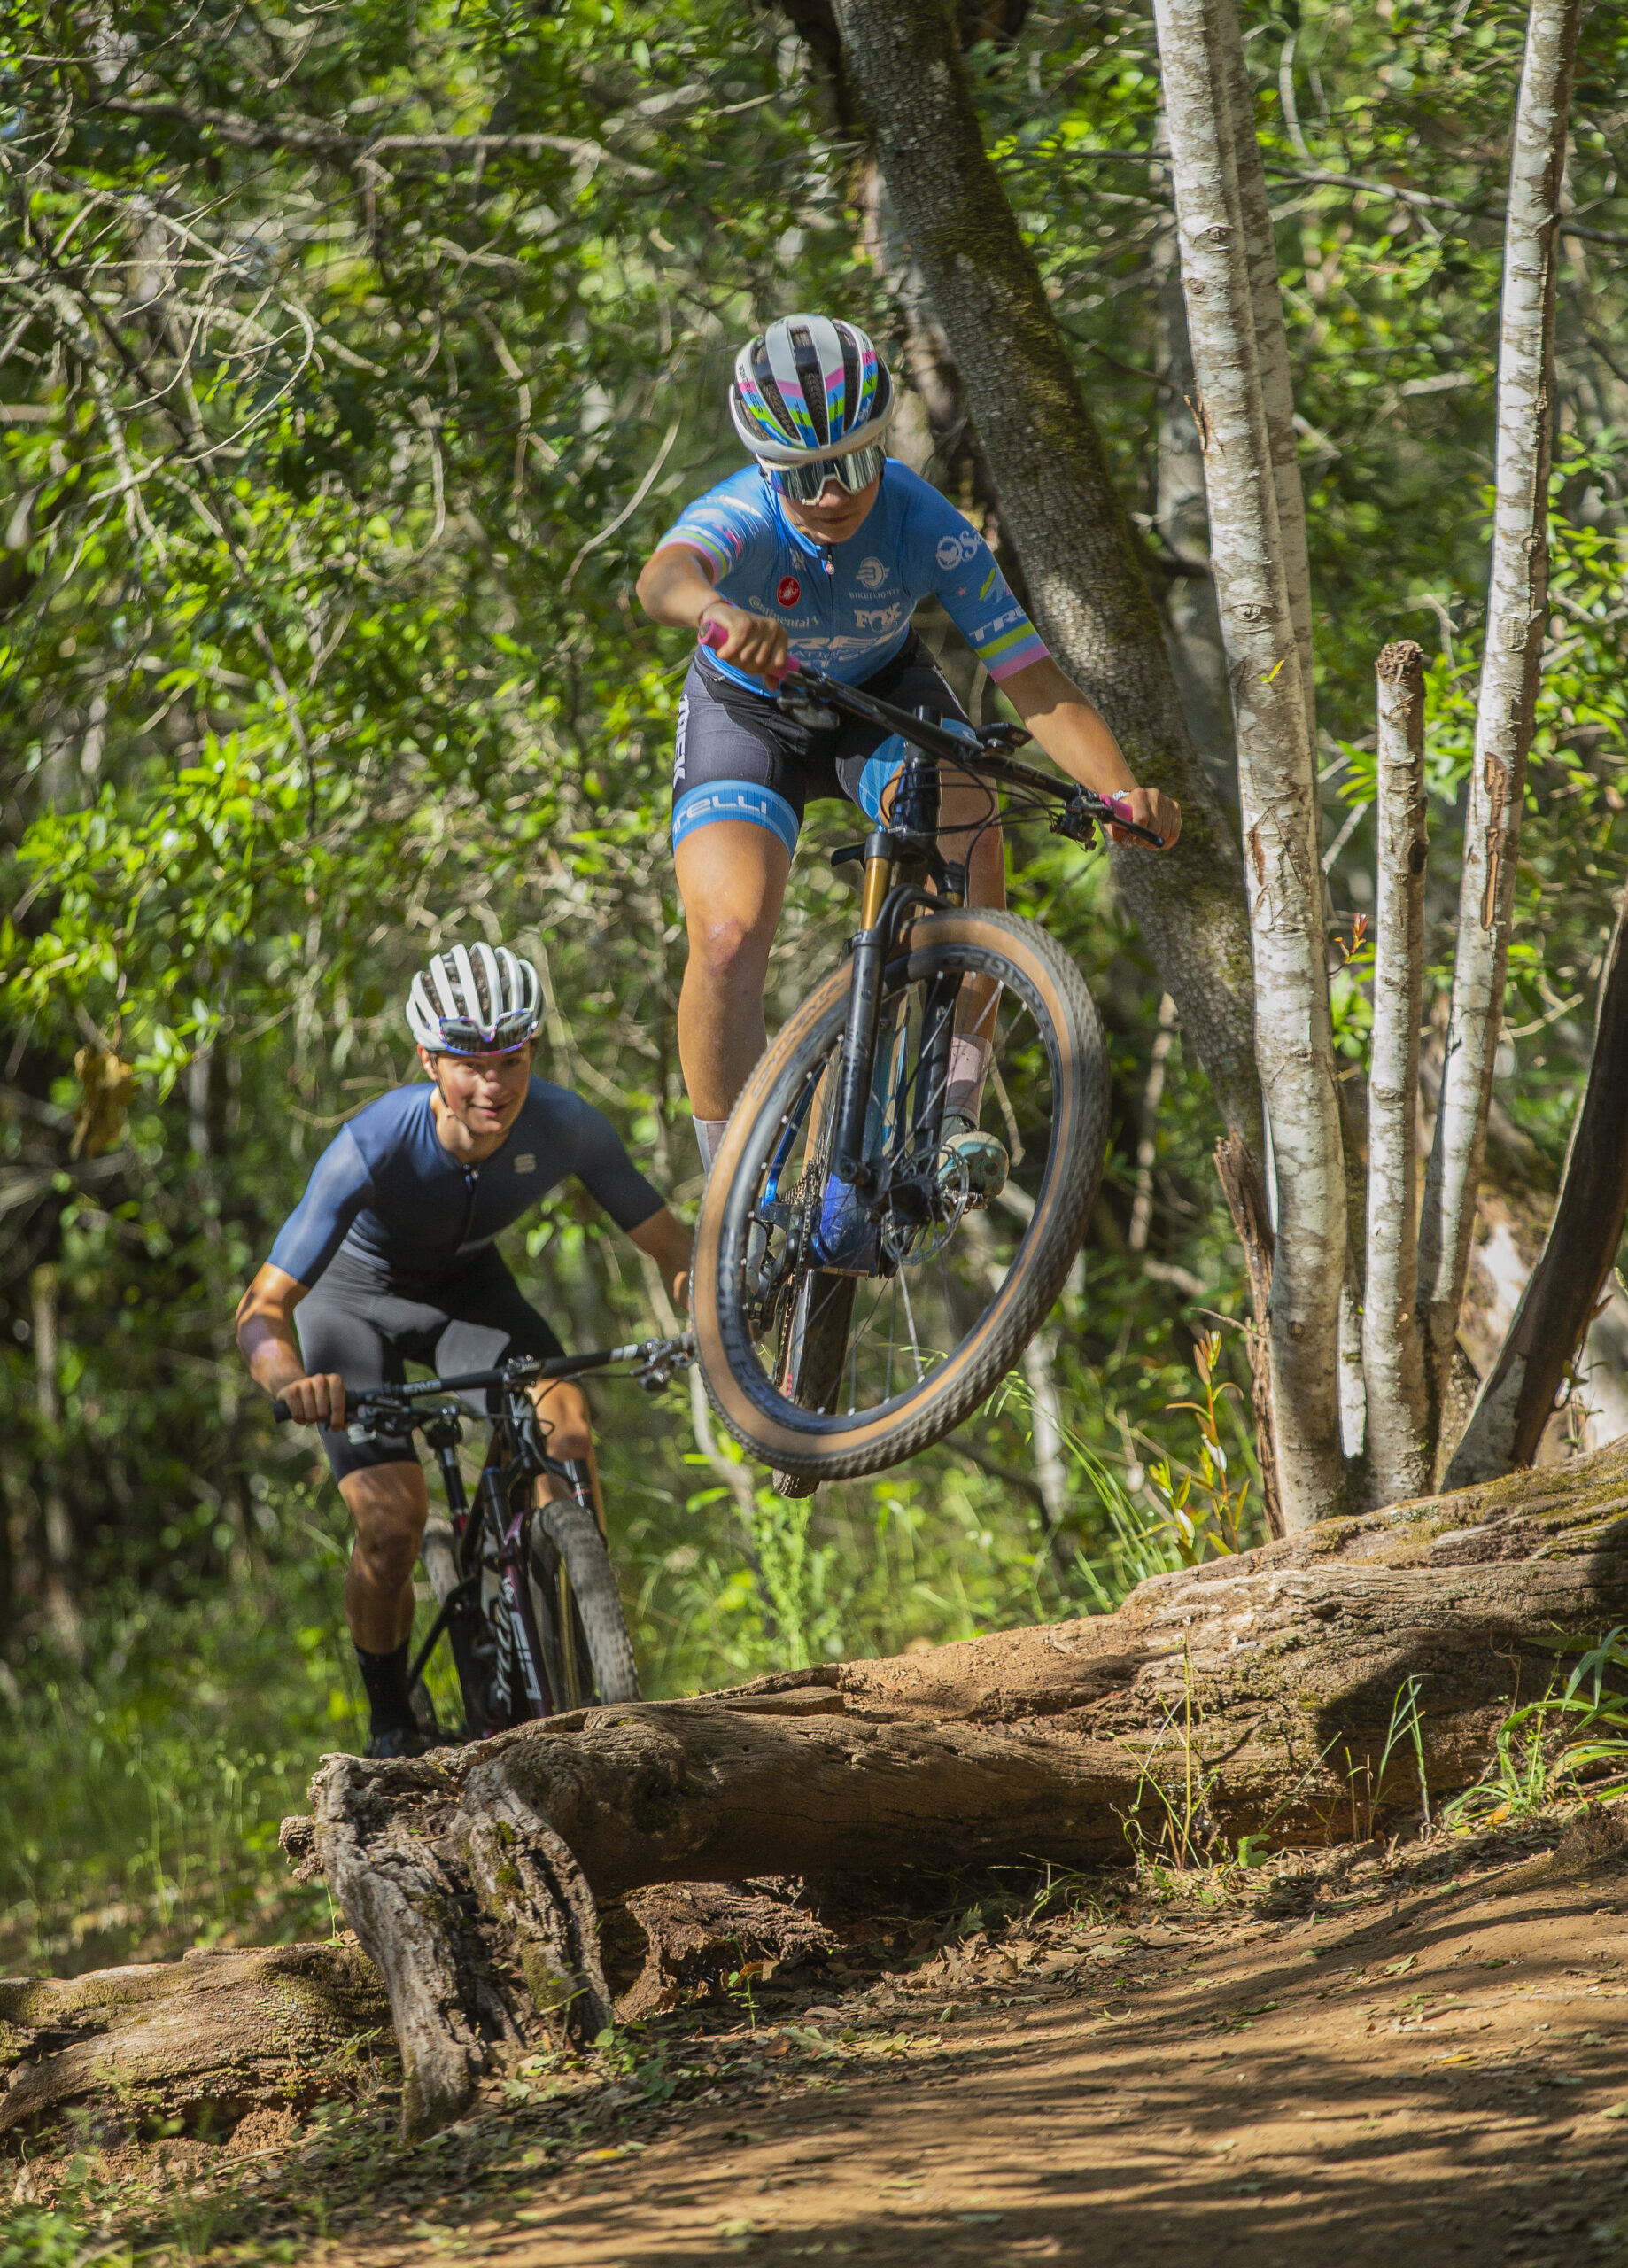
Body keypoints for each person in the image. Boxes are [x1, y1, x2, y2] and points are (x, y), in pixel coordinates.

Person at [635, 313, 1182, 1189]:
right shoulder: (739, 513)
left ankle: (947, 1109)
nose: (831, 495)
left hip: (876, 696)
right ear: (768, 470)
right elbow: (661, 576)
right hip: (746, 711)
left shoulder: (921, 518)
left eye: (854, 463)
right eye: (804, 477)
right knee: (730, 932)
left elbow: (1033, 682)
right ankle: (731, 1194)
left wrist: (1123, 794)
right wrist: (718, 613)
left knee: (972, 815)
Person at [235, 942, 693, 1759]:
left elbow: (673, 1248)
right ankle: (389, 1722)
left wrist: (712, 1313)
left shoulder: (564, 1125)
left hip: (466, 1294)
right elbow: (262, 1308)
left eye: (512, 1058)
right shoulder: (372, 1145)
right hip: (353, 1303)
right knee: (391, 1521)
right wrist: (291, 1380)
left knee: (569, 1435)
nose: (496, 1085)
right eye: (472, 1064)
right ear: (429, 1061)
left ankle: (570, 1652)